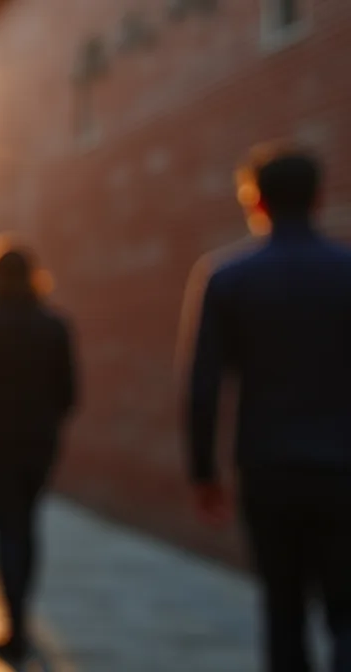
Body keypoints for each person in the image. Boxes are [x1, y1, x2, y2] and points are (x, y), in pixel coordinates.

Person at [182, 145, 351, 672]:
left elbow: (203, 385)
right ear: (320, 197)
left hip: (268, 467)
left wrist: (204, 472)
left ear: (255, 201)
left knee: (283, 611)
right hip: (345, 468)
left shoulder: (228, 278)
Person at [0, 235, 76, 663]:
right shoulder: (54, 324)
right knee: (27, 524)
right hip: (40, 438)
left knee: (6, 526)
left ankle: (15, 623)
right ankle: (22, 616)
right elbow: (69, 392)